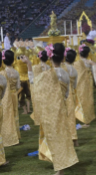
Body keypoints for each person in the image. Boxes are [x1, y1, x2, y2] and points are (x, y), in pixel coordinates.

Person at [22, 43, 79, 175]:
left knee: (54, 137)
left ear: (50, 57)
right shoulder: (64, 74)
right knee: (60, 137)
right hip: (61, 109)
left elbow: (33, 82)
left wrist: (29, 64)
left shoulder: (46, 75)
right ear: (63, 57)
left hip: (49, 111)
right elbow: (66, 94)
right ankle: (62, 166)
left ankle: (60, 169)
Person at [73, 44, 96, 126]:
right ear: (88, 54)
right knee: (88, 99)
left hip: (78, 83)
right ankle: (87, 117)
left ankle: (85, 118)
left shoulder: (75, 63)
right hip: (88, 82)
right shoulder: (90, 62)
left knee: (80, 100)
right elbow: (95, 71)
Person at [0, 50, 21, 147]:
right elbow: (18, 86)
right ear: (13, 60)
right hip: (14, 95)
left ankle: (8, 136)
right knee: (14, 114)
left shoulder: (2, 73)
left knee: (6, 116)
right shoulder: (16, 72)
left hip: (5, 96)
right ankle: (16, 135)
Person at [63, 48, 79, 146]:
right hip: (71, 95)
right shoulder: (74, 70)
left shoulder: (61, 68)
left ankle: (66, 139)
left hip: (63, 96)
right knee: (71, 118)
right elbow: (75, 85)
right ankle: (74, 139)